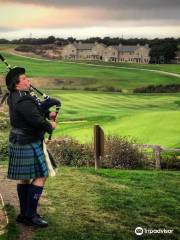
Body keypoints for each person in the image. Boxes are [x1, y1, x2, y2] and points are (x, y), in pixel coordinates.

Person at [6, 67, 56, 228]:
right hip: (28, 141)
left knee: (25, 178)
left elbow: (35, 110)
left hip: (19, 140)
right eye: (25, 79)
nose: (29, 81)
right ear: (17, 84)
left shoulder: (15, 96)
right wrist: (50, 125)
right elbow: (36, 120)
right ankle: (31, 215)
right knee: (42, 174)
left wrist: (47, 113)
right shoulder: (23, 100)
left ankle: (24, 214)